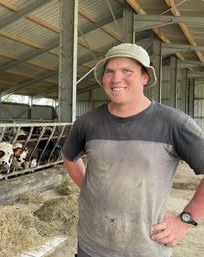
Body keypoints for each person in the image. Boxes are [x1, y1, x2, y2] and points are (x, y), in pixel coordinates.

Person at [62, 43, 204, 257]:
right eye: (109, 72)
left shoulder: (174, 123)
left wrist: (186, 220)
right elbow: (69, 158)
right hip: (90, 247)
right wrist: (90, 188)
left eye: (127, 71)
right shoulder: (87, 123)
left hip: (145, 249)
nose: (116, 79)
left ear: (144, 77)